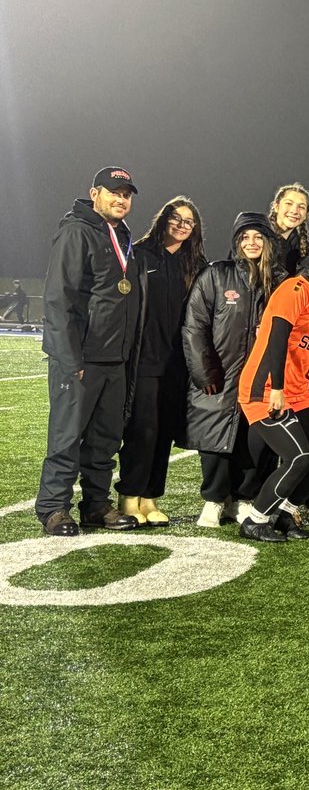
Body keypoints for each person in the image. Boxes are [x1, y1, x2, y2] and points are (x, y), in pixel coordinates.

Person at [36, 167, 144, 535]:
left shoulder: (120, 234)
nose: (122, 199)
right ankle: (53, 508)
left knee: (104, 439)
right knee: (67, 436)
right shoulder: (77, 231)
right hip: (81, 359)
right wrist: (70, 360)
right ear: (94, 193)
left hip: (115, 357)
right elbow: (58, 299)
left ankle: (96, 506)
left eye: (127, 194)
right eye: (114, 192)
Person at [236, 238, 309, 542]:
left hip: (298, 390)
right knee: (299, 457)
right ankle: (256, 519)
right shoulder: (295, 289)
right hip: (265, 388)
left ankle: (286, 514)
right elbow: (276, 339)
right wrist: (276, 387)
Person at [183, 212, 283, 528]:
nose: (251, 243)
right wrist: (204, 372)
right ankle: (214, 500)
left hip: (261, 380)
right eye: (245, 237)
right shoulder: (215, 275)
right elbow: (194, 326)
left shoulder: (280, 280)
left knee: (255, 442)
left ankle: (243, 499)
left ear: (268, 242)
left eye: (258, 237)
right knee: (215, 441)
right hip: (220, 376)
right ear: (236, 242)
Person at [116, 196, 207, 525]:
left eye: (189, 221)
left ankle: (151, 498)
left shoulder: (196, 263)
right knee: (143, 429)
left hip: (177, 364)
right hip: (145, 359)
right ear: (163, 219)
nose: (182, 225)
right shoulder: (140, 255)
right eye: (176, 218)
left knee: (165, 430)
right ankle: (129, 495)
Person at [268, 183, 309, 275]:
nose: (294, 211)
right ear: (276, 207)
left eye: (301, 207)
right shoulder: (257, 237)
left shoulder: (304, 249)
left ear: (306, 214)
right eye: (289, 203)